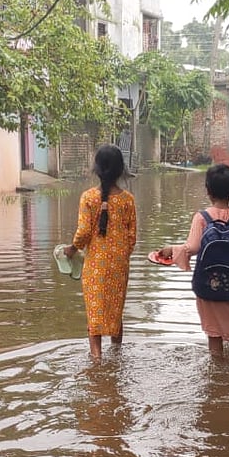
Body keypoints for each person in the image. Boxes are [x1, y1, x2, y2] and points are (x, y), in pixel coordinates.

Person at [158, 164, 229, 356]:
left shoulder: (201, 218)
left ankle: (217, 370)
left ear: (208, 191)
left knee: (213, 332)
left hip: (207, 284)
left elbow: (192, 248)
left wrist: (172, 250)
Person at [64, 145, 137, 358]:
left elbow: (84, 232)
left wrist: (72, 249)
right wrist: (120, 256)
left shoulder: (88, 197)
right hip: (119, 266)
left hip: (95, 265)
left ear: (97, 169)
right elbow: (132, 238)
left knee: (94, 312)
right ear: (121, 170)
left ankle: (96, 361)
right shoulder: (128, 200)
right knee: (116, 312)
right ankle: (116, 355)